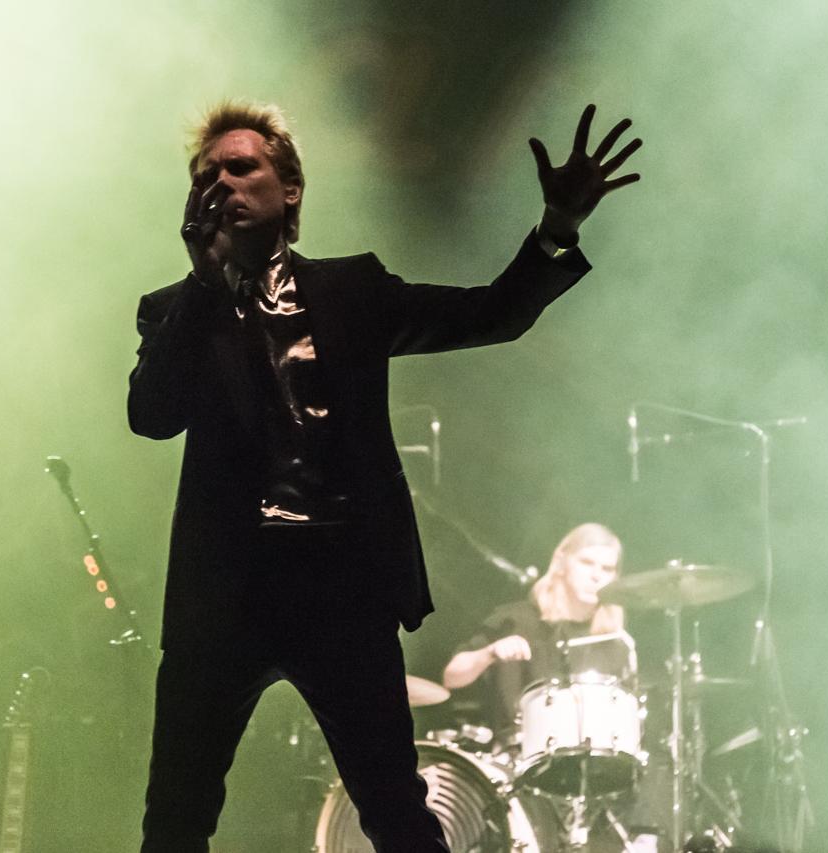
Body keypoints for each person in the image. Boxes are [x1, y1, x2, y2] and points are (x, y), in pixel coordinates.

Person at [127, 100, 641, 853]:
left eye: (241, 167)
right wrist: (204, 285)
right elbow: (151, 414)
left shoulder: (352, 292)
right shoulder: (176, 312)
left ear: (289, 189)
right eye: (207, 175)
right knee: (175, 820)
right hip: (225, 594)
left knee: (397, 813)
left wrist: (557, 227)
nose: (222, 184)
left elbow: (492, 314)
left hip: (340, 585)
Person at [443, 522, 629, 741]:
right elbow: (451, 676)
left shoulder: (614, 642)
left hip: (594, 755)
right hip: (516, 754)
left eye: (607, 569)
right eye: (586, 563)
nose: (596, 576)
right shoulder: (516, 620)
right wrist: (489, 653)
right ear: (561, 562)